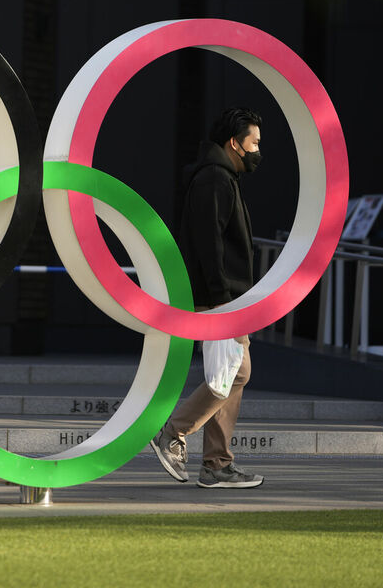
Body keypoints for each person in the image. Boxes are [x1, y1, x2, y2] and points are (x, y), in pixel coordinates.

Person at [150, 107, 264, 489]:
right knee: (236, 373)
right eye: (254, 142)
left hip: (226, 296)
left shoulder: (222, 177)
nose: (257, 149)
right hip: (220, 298)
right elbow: (209, 244)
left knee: (231, 374)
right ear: (235, 143)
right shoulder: (215, 179)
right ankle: (173, 432)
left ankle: (216, 463)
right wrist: (222, 299)